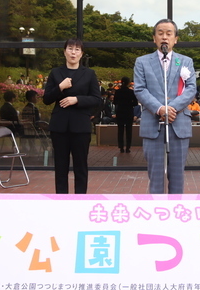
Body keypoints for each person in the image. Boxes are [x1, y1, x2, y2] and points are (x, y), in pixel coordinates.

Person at [134, 18, 196, 194]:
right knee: (156, 176)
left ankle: (176, 214)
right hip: (153, 125)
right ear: (154, 38)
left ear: (175, 39)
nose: (164, 37)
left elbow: (191, 89)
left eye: (169, 33)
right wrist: (160, 109)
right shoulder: (142, 62)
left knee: (177, 176)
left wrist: (171, 108)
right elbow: (139, 89)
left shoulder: (186, 61)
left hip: (178, 125)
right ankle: (156, 213)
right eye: (160, 33)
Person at [43, 38, 102, 194]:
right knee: (60, 166)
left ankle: (80, 200)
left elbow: (97, 99)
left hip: (81, 126)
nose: (73, 52)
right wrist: (60, 87)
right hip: (59, 127)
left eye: (77, 50)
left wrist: (77, 99)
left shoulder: (89, 74)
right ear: (64, 52)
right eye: (70, 49)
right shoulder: (56, 73)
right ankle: (61, 200)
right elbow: (47, 99)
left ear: (81, 54)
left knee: (80, 166)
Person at [114, 76, 138, 153]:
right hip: (128, 112)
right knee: (129, 130)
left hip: (120, 112)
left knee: (120, 130)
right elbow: (135, 103)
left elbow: (114, 102)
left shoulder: (118, 92)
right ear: (128, 83)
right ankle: (128, 147)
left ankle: (121, 147)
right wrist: (129, 104)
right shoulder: (131, 92)